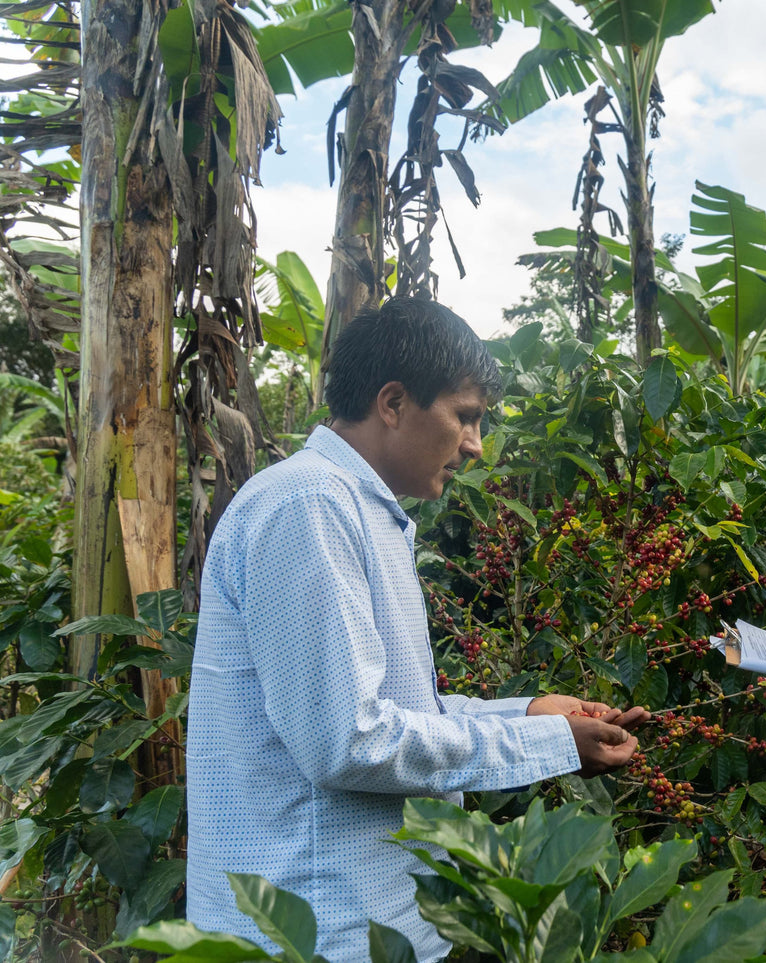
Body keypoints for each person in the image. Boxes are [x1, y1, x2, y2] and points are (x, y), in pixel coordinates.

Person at [186, 297, 648, 961]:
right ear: (394, 402)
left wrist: (530, 711)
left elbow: (392, 713)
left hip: (362, 926)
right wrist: (546, 742)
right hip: (311, 932)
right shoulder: (310, 505)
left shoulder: (360, 511)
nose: (475, 444)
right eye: (464, 416)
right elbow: (351, 740)